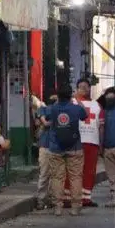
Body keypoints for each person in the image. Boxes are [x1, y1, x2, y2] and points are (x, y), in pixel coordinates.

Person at [44, 83, 87, 216]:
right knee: (75, 177)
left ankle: (58, 207)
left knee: (57, 177)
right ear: (71, 95)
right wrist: (77, 100)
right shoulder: (76, 108)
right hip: (75, 147)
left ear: (58, 95)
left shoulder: (53, 108)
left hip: (56, 148)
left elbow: (47, 118)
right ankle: (75, 207)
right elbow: (84, 115)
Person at [75, 78, 103, 207]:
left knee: (90, 171)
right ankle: (69, 198)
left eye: (86, 86)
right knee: (74, 170)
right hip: (76, 142)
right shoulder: (72, 103)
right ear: (76, 88)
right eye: (81, 86)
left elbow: (101, 126)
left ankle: (86, 198)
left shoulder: (97, 105)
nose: (84, 89)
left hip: (92, 142)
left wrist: (101, 144)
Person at [34, 94, 55, 209]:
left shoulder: (45, 110)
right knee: (46, 174)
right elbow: (45, 123)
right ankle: (42, 200)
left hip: (53, 146)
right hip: (46, 146)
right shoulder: (43, 109)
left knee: (50, 175)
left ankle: (48, 199)